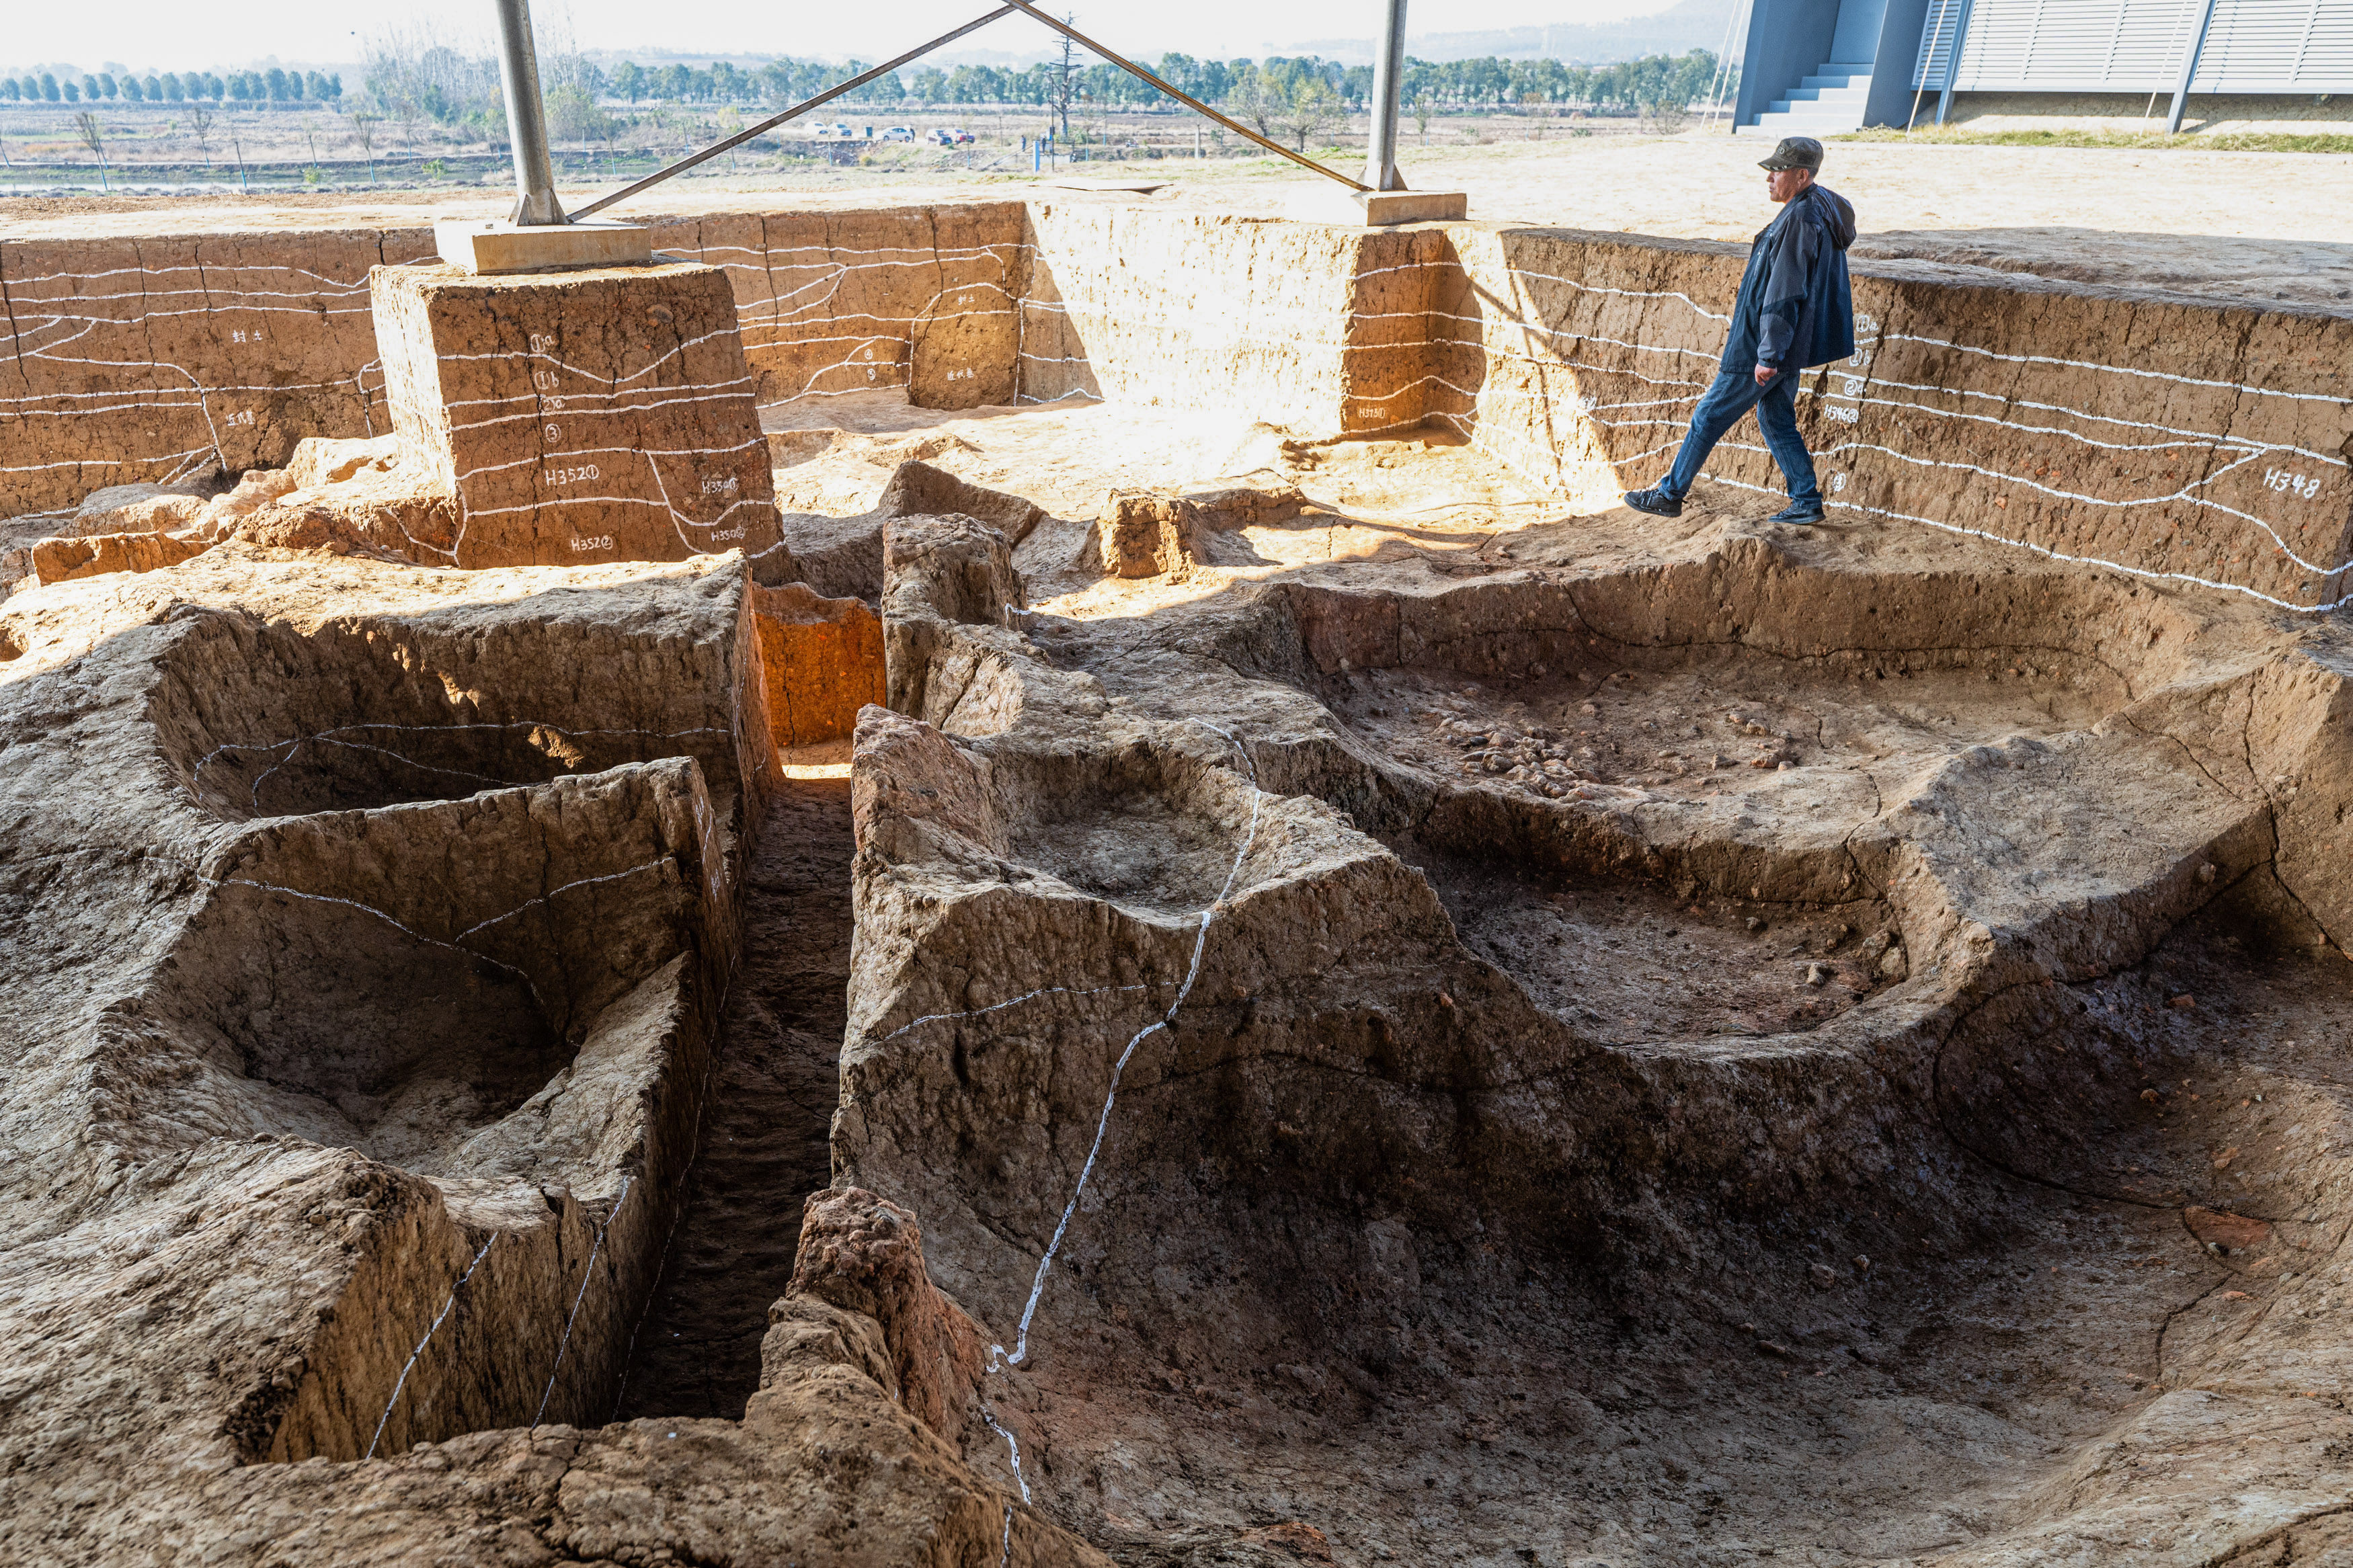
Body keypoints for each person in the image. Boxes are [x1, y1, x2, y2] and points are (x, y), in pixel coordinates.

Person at [1623, 136, 1856, 526]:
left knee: (1708, 415)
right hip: (1783, 343)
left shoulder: (1801, 218)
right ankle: (1806, 500)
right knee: (1776, 419)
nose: (1769, 177)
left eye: (1778, 170)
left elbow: (1786, 291)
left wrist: (1768, 355)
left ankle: (1669, 495)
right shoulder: (1813, 206)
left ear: (1801, 175)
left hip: (1763, 345)